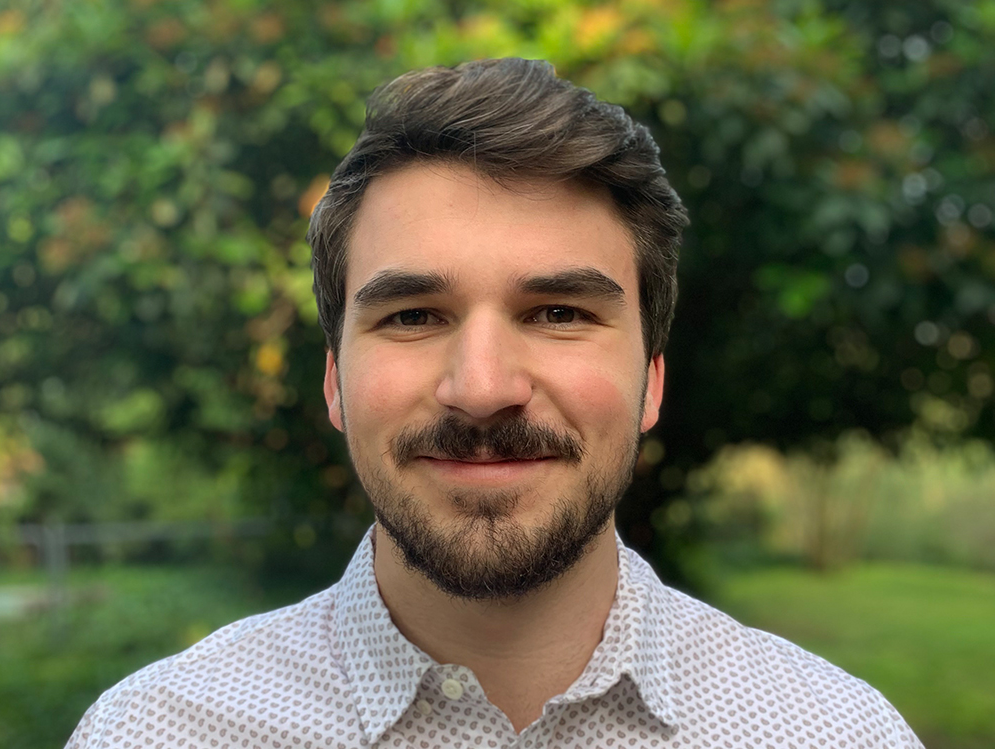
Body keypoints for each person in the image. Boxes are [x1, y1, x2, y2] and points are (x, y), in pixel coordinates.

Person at [67, 58, 923, 749]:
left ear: (652, 382)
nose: (481, 388)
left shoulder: (838, 732)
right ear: (334, 381)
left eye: (559, 313)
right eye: (412, 315)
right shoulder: (152, 732)